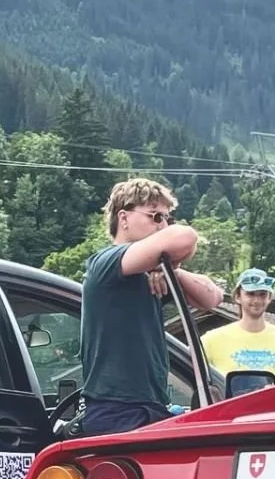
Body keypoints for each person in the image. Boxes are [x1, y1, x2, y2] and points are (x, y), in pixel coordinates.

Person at [77, 177, 223, 436]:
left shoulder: (153, 276)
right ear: (124, 218)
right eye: (155, 217)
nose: (163, 225)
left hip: (150, 405)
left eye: (167, 218)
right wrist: (164, 260)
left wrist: (173, 273)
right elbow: (186, 237)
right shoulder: (106, 263)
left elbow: (212, 299)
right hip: (115, 409)